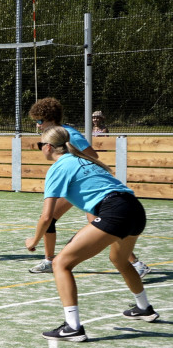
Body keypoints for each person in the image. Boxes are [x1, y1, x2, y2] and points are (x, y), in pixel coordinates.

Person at [25, 126, 159, 341]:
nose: (40, 149)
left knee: (60, 264)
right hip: (135, 209)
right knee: (120, 259)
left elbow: (46, 217)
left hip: (115, 212)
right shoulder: (84, 160)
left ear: (48, 147)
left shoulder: (58, 167)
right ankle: (144, 308)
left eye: (40, 145)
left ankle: (73, 327)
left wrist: (34, 240)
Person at [29, 98, 150, 278]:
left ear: (51, 119)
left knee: (102, 224)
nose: (38, 125)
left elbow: (93, 156)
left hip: (84, 184)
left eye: (40, 121)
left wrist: (80, 175)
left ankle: (136, 264)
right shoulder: (54, 136)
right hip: (75, 183)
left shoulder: (69, 134)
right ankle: (49, 260)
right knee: (51, 218)